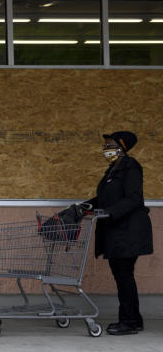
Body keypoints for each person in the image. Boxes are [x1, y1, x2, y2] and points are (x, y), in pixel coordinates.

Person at [85, 130, 153, 335]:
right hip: (117, 231)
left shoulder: (130, 168)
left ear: (122, 148)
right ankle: (134, 319)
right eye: (105, 145)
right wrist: (82, 208)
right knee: (122, 275)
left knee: (124, 276)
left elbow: (134, 199)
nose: (106, 148)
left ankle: (129, 322)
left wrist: (109, 213)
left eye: (110, 144)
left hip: (129, 231)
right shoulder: (112, 171)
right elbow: (102, 199)